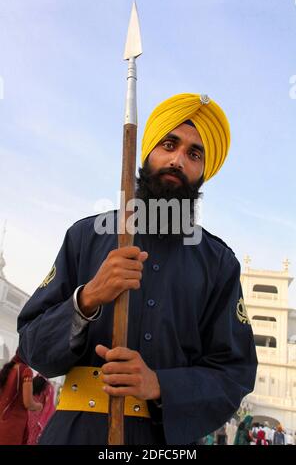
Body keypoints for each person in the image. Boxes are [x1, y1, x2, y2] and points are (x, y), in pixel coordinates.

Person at [17, 93, 258, 445]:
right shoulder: (86, 236)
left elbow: (234, 374)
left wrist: (159, 384)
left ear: (205, 170)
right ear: (146, 152)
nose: (177, 160)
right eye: (169, 144)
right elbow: (32, 346)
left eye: (194, 153)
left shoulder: (219, 264)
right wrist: (86, 300)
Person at [0, 350, 42, 445]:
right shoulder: (25, 371)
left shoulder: (7, 370)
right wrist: (39, 406)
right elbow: (28, 403)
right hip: (12, 427)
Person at [27, 374, 55, 445]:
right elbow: (49, 405)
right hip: (39, 416)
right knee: (34, 437)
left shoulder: (31, 382)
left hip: (28, 414)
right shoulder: (48, 387)